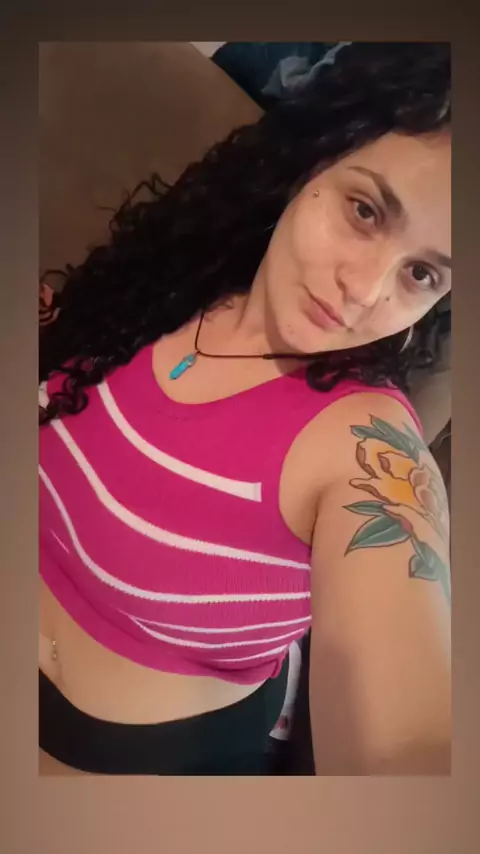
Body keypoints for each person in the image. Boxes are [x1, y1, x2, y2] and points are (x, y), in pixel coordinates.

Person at [39, 42, 451, 776]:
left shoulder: (364, 444)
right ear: (313, 161)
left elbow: (406, 745)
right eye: (365, 211)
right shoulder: (179, 276)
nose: (364, 290)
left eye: (421, 273)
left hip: (118, 765)